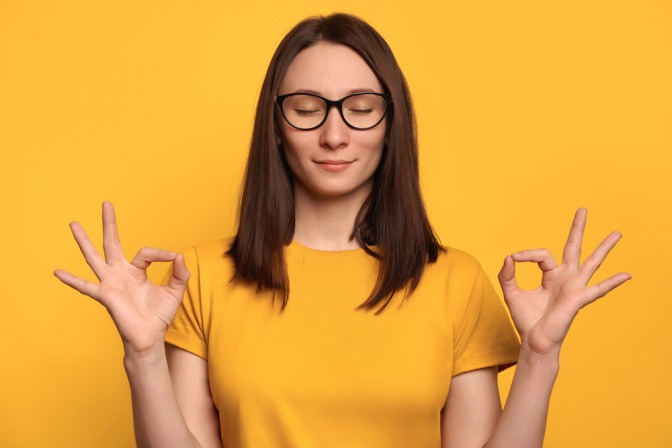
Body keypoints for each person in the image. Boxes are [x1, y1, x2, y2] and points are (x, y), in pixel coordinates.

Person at [54, 13, 631, 448]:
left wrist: (539, 356)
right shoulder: (200, 276)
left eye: (360, 106)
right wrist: (143, 355)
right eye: (307, 107)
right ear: (276, 126)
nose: (335, 134)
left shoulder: (455, 280)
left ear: (390, 122)